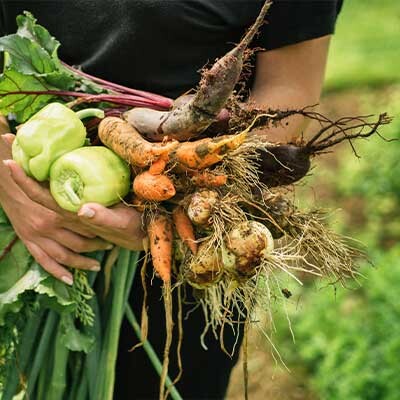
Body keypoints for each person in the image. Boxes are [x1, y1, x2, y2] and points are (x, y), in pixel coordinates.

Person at [0, 1, 343, 398]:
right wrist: (6, 176)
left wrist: (175, 201)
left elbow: (290, 91)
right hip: (30, 219)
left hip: (197, 243)